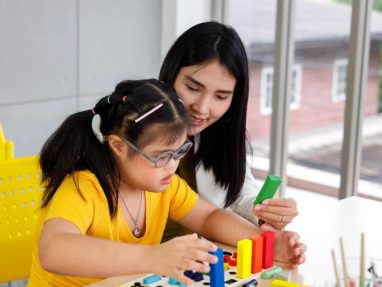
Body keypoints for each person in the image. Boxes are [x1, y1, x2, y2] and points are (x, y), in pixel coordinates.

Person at [27, 79, 305, 287]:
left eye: (179, 152)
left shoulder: (164, 185)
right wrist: (154, 256)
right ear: (118, 146)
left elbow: (209, 218)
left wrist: (266, 243)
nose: (172, 165)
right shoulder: (83, 187)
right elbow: (53, 250)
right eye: (161, 156)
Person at [159, 21, 298, 238]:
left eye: (221, 96)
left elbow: (238, 194)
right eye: (193, 88)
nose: (202, 108)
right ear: (170, 74)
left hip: (199, 260)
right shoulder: (134, 132)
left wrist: (266, 211)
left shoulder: (221, 133)